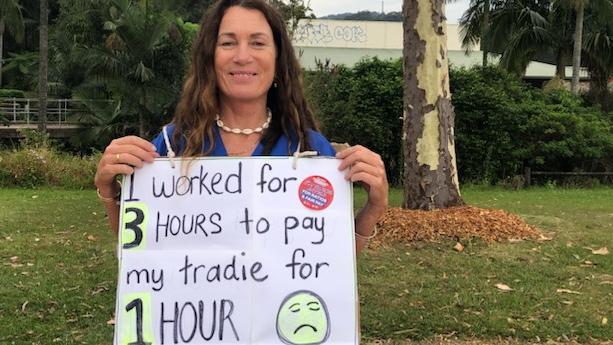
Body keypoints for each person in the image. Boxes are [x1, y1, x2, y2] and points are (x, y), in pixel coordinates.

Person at [94, 0, 388, 254]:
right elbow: (144, 256)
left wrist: (372, 209)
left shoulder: (310, 150)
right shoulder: (172, 145)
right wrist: (110, 190)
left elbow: (325, 267)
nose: (243, 56)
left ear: (277, 60)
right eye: (228, 42)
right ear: (211, 58)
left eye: (258, 43)